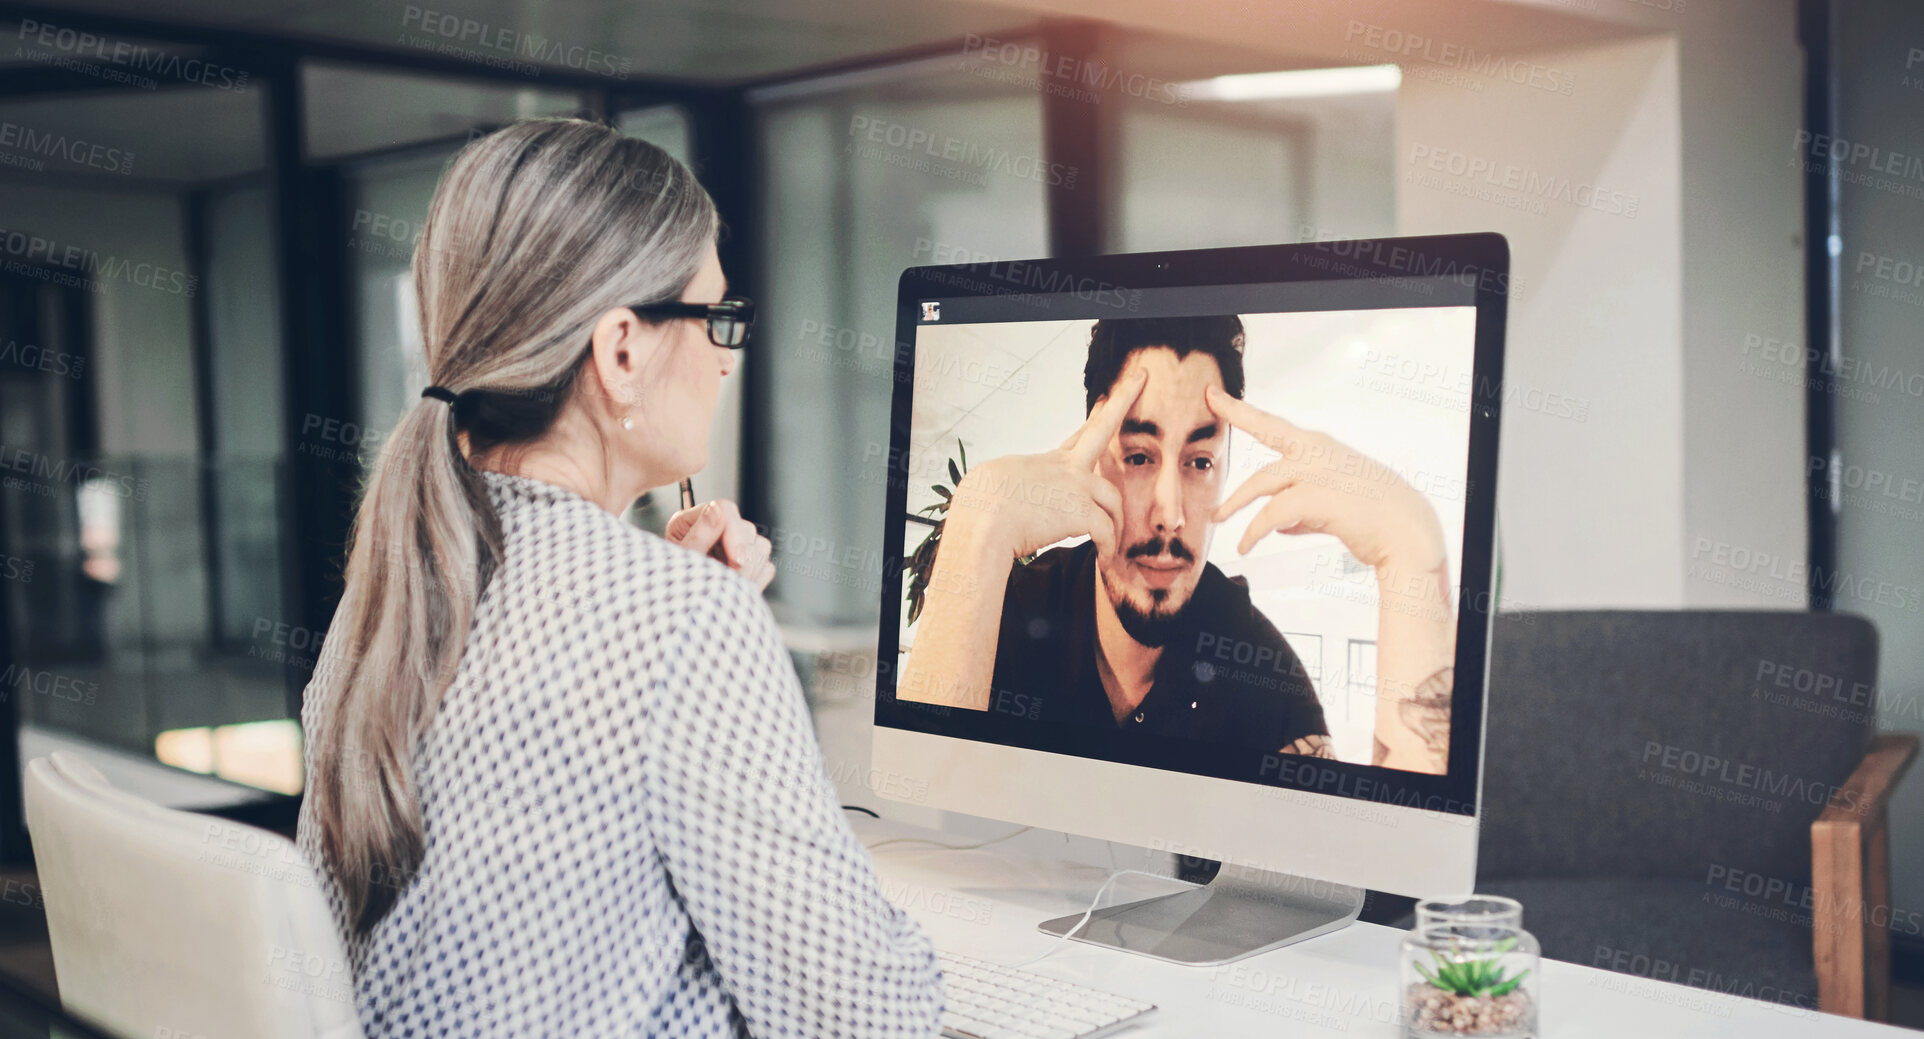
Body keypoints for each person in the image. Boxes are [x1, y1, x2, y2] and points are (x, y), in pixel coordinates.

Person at [294, 118, 942, 1038]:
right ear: (622, 350)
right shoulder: (676, 622)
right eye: (716, 318)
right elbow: (863, 1018)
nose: (726, 357)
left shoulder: (383, 601)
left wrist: (683, 624)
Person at [896, 315, 1457, 774]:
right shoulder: (1014, 607)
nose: (1170, 513)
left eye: (1199, 462)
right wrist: (980, 515)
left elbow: (1368, 877)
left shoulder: (1262, 669)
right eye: (1139, 457)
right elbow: (920, 805)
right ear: (1091, 456)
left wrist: (1411, 555)